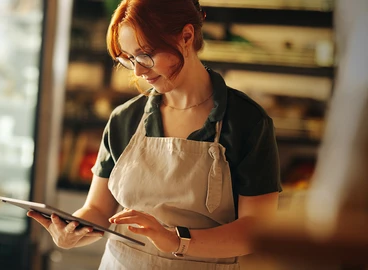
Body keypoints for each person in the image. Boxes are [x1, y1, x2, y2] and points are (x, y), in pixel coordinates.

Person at [28, 0, 282, 269]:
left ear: (186, 36)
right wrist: (70, 233)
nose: (137, 71)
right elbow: (99, 210)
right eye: (128, 58)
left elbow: (254, 232)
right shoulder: (125, 119)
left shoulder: (247, 122)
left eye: (145, 55)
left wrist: (176, 241)